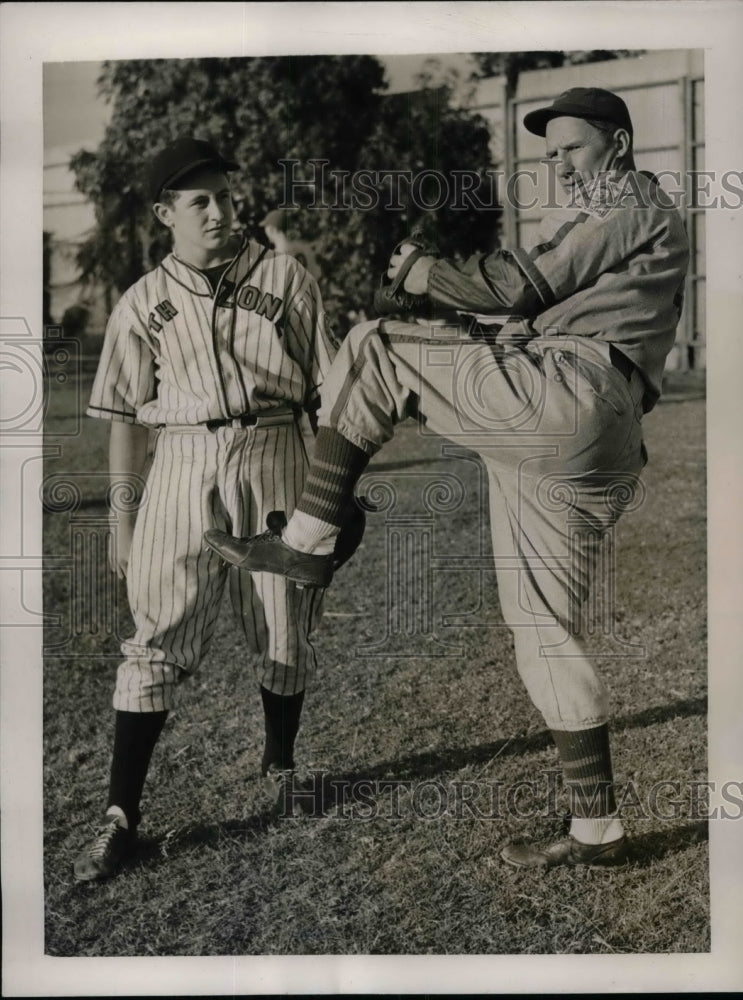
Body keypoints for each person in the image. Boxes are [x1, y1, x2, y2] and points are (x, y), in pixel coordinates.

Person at [205, 89, 690, 868]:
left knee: (373, 345)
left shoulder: (631, 200)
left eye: (572, 146)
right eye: (550, 152)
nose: (557, 161)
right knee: (541, 632)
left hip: (571, 397)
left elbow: (514, 288)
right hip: (588, 434)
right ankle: (597, 828)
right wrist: (462, 316)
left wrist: (427, 270)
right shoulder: (625, 215)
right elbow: (518, 317)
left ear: (620, 146)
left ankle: (307, 536)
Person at [73, 137, 338, 881]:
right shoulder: (140, 302)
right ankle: (121, 815)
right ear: (166, 214)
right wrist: (122, 522)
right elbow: (125, 417)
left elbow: (329, 394)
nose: (220, 210)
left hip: (275, 447)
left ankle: (279, 760)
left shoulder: (285, 277)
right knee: (154, 635)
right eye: (200, 201)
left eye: (224, 195)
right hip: (181, 461)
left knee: (284, 622)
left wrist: (329, 498)